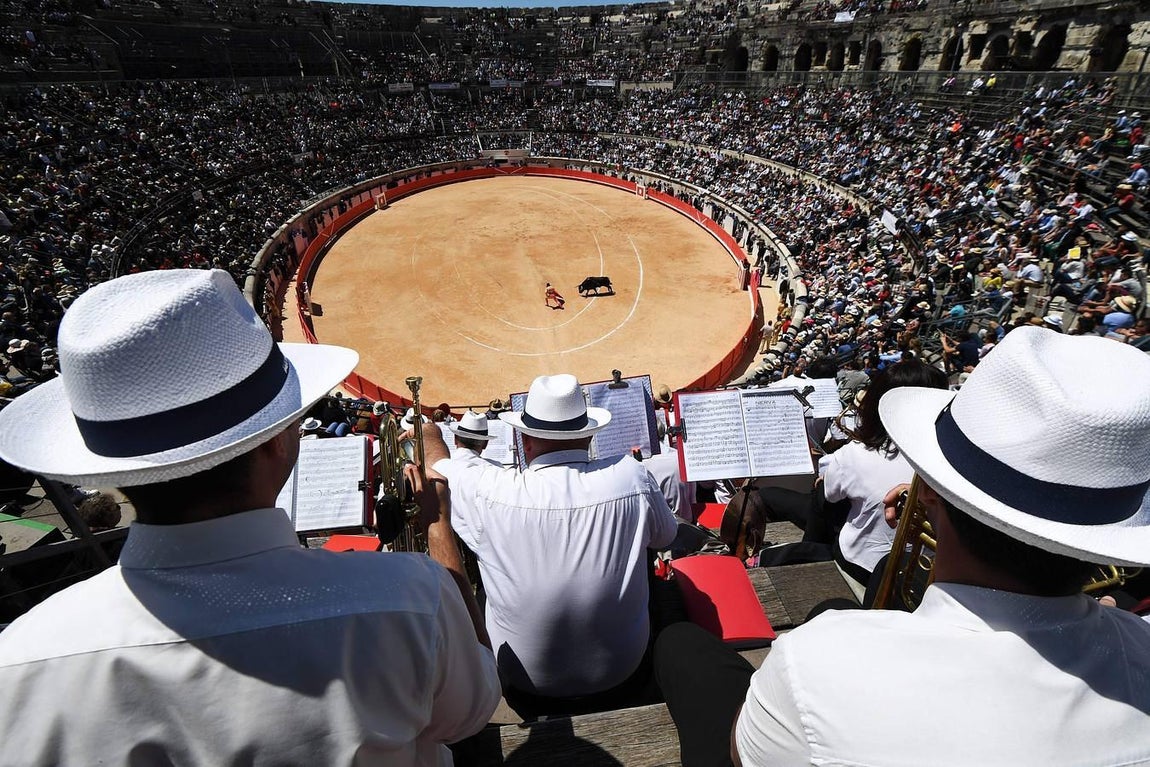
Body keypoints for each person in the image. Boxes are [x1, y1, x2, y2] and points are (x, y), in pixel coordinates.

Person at [0, 270, 500, 765]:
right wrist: (437, 527)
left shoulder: (19, 660)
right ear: (277, 442)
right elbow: (469, 714)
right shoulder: (411, 594)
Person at [655, 326, 1150, 766]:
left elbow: (741, 754)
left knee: (680, 644)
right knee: (830, 606)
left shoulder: (813, 661)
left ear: (928, 491)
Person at [422, 373, 679, 717]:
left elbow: (436, 469)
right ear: (588, 436)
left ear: (525, 440)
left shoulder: (488, 488)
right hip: (624, 674)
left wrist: (430, 433)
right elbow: (666, 538)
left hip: (525, 687)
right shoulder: (632, 475)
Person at [819, 359, 949, 597]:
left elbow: (830, 495)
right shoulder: (954, 461)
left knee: (822, 490)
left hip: (861, 564)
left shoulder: (853, 454)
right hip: (927, 575)